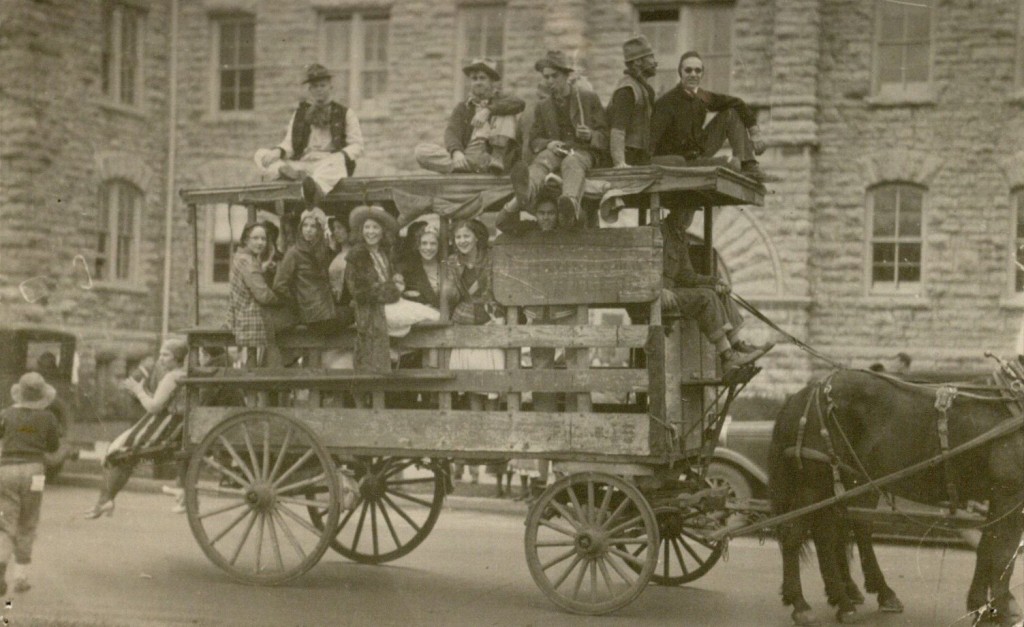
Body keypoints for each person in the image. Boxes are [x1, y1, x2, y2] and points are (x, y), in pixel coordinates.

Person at [497, 198, 574, 498]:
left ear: (558, 214)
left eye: (550, 213)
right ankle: (542, 472)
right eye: (541, 212)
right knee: (542, 382)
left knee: (572, 376)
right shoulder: (527, 229)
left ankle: (568, 464)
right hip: (538, 314)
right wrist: (519, 200)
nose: (545, 218)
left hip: (565, 313)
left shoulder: (566, 231)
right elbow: (502, 222)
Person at [660, 207, 773, 374]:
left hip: (674, 292)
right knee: (707, 297)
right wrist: (658, 288)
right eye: (684, 211)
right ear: (673, 210)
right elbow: (642, 265)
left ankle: (736, 345)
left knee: (719, 293)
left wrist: (715, 282)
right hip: (662, 294)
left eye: (690, 213)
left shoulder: (680, 236)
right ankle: (727, 357)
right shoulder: (658, 231)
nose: (687, 218)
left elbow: (686, 275)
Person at [85, 339, 189, 519]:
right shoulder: (181, 373)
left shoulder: (172, 376)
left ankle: (105, 501)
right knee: (121, 452)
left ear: (177, 358)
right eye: (161, 354)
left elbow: (154, 407)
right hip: (170, 421)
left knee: (117, 451)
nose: (161, 359)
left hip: (163, 423)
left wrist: (138, 390)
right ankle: (105, 500)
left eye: (166, 355)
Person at [510, 51, 609, 228]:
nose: (549, 81)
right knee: (542, 161)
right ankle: (526, 191)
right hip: (556, 151)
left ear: (566, 75)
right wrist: (548, 143)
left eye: (554, 76)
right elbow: (534, 140)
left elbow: (604, 136)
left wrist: (591, 134)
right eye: (546, 77)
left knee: (571, 162)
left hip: (583, 152)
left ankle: (569, 203)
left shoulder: (588, 99)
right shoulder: (543, 106)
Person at [253, 63, 364, 205]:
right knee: (261, 154)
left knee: (336, 166)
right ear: (310, 90)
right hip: (302, 164)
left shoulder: (345, 113)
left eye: (322, 85)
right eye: (315, 86)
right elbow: (290, 144)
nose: (319, 90)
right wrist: (277, 152)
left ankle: (313, 189)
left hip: (327, 163)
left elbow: (357, 145)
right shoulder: (300, 114)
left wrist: (341, 155)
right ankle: (289, 173)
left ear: (331, 87)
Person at [346, 205, 439, 374]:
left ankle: (431, 365)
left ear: (382, 231)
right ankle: (431, 366)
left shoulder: (383, 253)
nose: (371, 232)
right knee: (433, 316)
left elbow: (388, 282)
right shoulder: (356, 255)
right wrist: (392, 289)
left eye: (375, 227)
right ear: (361, 230)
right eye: (367, 227)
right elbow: (359, 292)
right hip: (372, 311)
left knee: (435, 315)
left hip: (391, 303)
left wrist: (398, 283)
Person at [650, 51, 768, 182]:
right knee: (730, 163)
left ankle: (747, 165)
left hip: (698, 151)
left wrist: (754, 132)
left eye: (697, 71)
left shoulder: (702, 96)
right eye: (688, 70)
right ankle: (734, 165)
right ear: (680, 72)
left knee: (731, 113)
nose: (693, 75)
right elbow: (652, 141)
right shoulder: (666, 102)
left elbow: (737, 102)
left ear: (702, 74)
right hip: (680, 162)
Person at [0, 372, 62, 593]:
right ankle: (21, 577)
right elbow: (53, 447)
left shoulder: (6, 414)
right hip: (35, 471)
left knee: (6, 522)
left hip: (5, 470)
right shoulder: (48, 418)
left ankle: (0, 566)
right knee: (28, 521)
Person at [415, 58, 525, 175]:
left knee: (506, 114)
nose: (478, 82)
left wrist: (488, 110)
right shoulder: (463, 107)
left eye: (482, 78)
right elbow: (451, 132)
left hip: (492, 158)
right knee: (421, 152)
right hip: (468, 156)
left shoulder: (501, 100)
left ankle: (493, 161)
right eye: (474, 79)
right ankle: (462, 167)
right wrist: (456, 152)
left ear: (491, 81)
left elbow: (519, 103)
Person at [274, 207, 353, 336]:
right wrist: (298, 306)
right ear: (300, 228)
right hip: (313, 316)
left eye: (313, 226)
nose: (308, 230)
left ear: (319, 230)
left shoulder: (323, 251)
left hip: (327, 312)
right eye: (305, 225)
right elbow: (279, 286)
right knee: (356, 314)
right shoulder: (294, 252)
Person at [229, 222, 281, 365]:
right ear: (246, 239)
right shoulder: (249, 262)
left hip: (241, 314)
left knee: (252, 358)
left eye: (263, 239)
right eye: (255, 238)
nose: (260, 243)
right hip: (251, 317)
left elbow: (249, 278)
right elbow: (263, 295)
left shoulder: (240, 256)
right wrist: (281, 299)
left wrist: (262, 269)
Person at [607, 36, 658, 168]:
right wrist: (620, 163)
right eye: (651, 57)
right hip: (629, 158)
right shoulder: (627, 90)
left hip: (641, 156)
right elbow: (617, 130)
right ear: (637, 62)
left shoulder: (645, 89)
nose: (655, 62)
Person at [400, 224, 443, 310]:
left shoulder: (446, 265)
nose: (428, 248)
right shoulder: (408, 271)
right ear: (418, 246)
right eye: (424, 243)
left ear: (438, 246)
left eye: (433, 243)